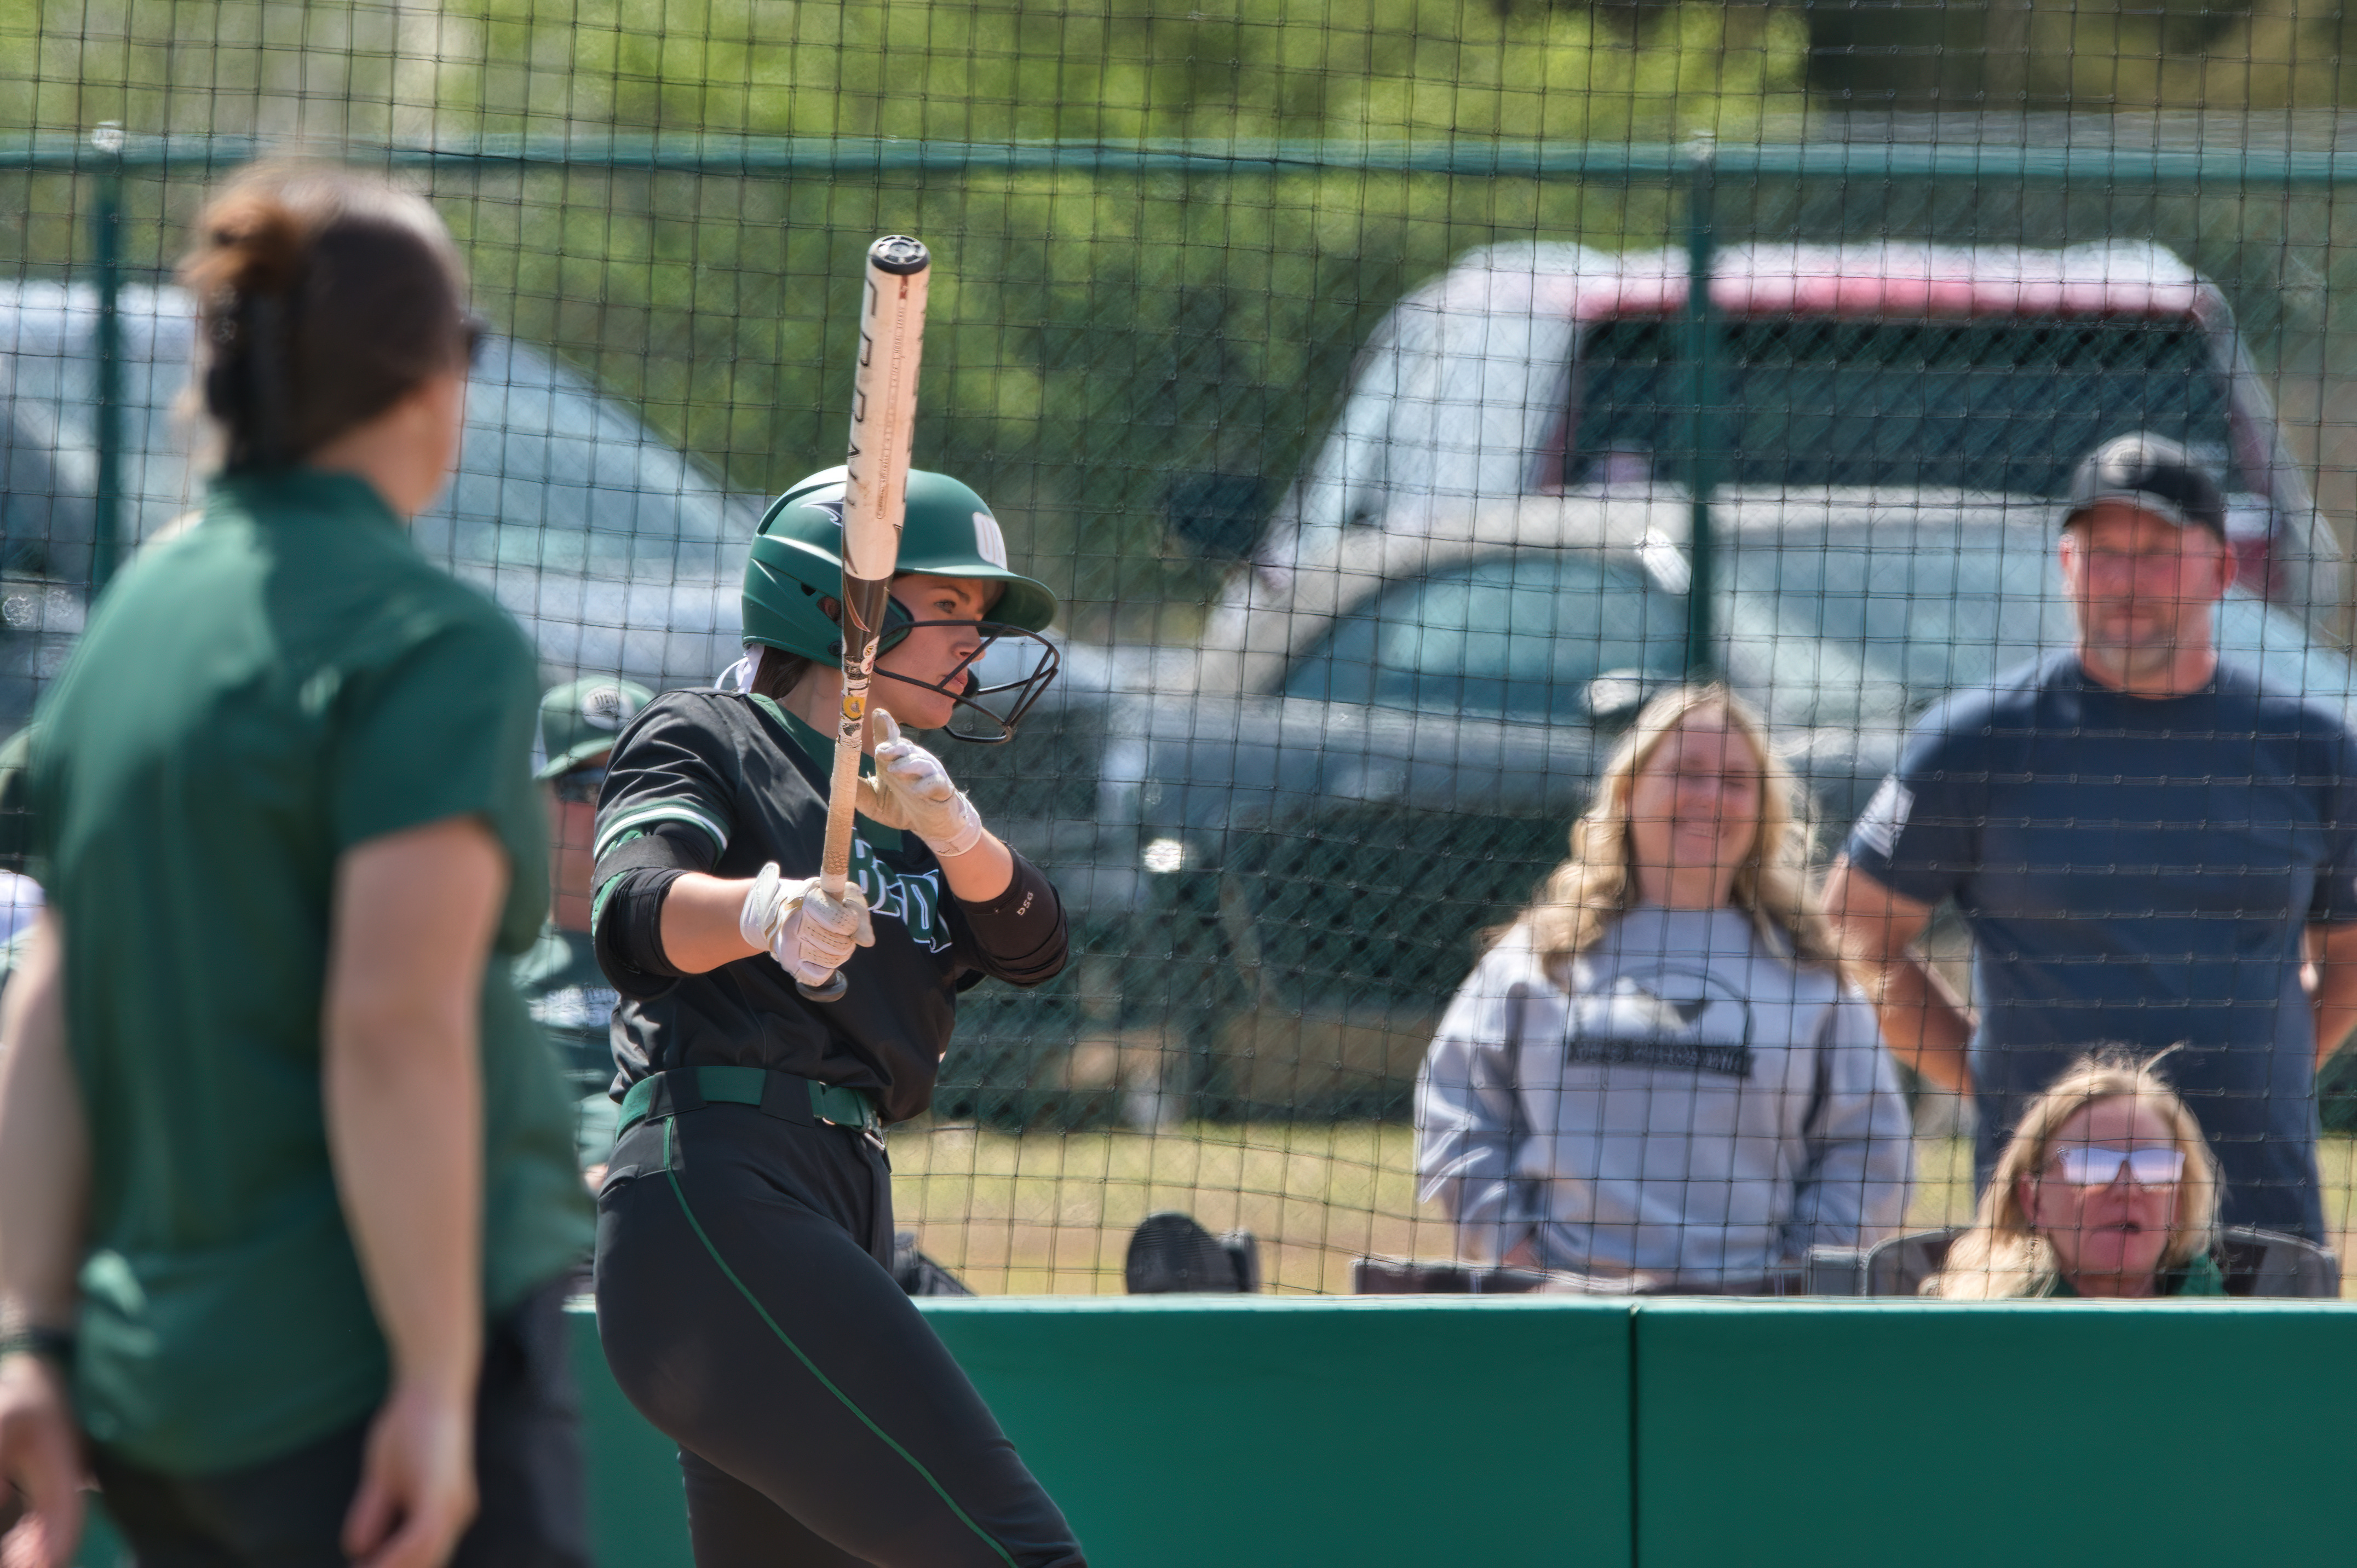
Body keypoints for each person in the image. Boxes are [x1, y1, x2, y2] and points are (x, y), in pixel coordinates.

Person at [0, 163, 591, 1568]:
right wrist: (435, 1385)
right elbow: (392, 1024)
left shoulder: (140, 614)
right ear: (434, 379)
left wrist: (28, 1336)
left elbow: (51, 1001)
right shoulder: (431, 640)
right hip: (357, 1388)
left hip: (164, 1401)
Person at [590, 466, 1082, 1566]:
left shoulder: (907, 791)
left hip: (841, 1193)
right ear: (838, 604)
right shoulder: (712, 730)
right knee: (1019, 1552)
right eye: (947, 604)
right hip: (719, 1184)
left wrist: (955, 832)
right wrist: (760, 911)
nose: (973, 640)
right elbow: (629, 912)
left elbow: (1034, 946)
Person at [1826, 432, 2357, 1243]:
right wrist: (1990, 1079)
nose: (2124, 579)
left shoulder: (2313, 749)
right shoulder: (1974, 742)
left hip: (2257, 1213)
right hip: (2044, 1223)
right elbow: (1852, 930)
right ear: (2066, 567)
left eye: (2156, 553)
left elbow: (2350, 954)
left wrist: (2270, 1075)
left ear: (2222, 570)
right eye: (2100, 553)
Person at [1416, 685, 1914, 1293]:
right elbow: (1456, 1111)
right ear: (1627, 793)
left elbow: (1869, 1148)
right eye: (1686, 772)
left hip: (1750, 1317)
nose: (1710, 796)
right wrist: (1523, 1267)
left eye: (1736, 781)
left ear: (1763, 811)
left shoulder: (1811, 973)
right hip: (1558, 1310)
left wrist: (1794, 1281)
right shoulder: (1538, 957)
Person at [1925, 1053, 2225, 1299]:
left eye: (2155, 1168)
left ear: (2179, 1203)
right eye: (2092, 1165)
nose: (2127, 1188)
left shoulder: (2237, 1326)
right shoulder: (1979, 1330)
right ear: (2033, 1200)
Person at [515, 676, 655, 1175]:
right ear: (534, 801)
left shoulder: (699, 958)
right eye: (588, 786)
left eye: (631, 783)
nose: (611, 807)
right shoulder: (481, 954)